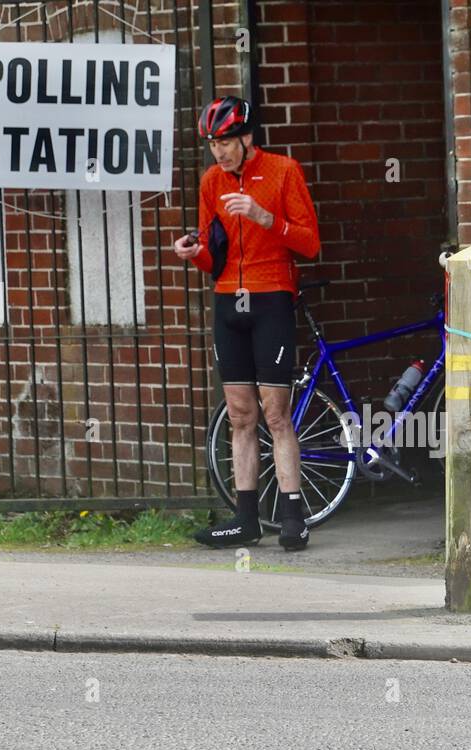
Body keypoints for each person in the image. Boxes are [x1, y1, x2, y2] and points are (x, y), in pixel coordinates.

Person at [175, 95, 321, 550]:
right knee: (241, 415)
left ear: (246, 137)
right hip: (227, 302)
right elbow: (212, 255)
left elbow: (310, 244)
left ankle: (293, 515)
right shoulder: (210, 183)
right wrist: (192, 251)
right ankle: (244, 518)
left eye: (225, 142)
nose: (219, 152)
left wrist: (264, 217)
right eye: (212, 144)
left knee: (276, 414)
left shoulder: (284, 171)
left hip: (271, 296)